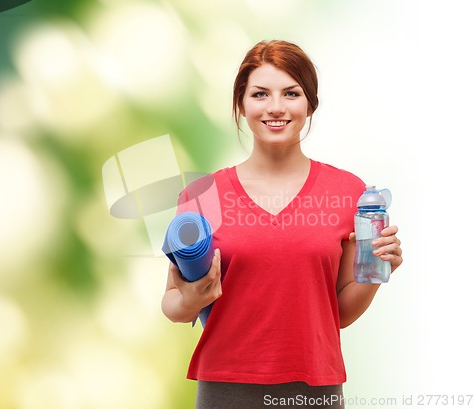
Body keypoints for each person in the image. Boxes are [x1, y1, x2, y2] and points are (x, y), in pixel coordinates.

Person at [161, 40, 403, 409]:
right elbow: (173, 304)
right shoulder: (202, 195)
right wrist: (192, 300)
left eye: (291, 93)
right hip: (226, 388)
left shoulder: (347, 192)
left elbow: (336, 315)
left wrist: (375, 271)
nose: (275, 108)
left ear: (310, 103)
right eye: (260, 94)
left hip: (313, 391)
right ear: (241, 104)